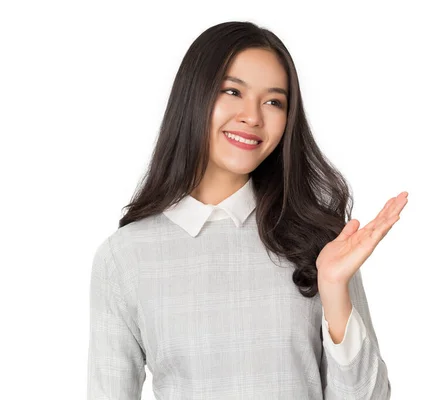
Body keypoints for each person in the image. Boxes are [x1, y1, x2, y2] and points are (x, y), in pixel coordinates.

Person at [87, 20, 408, 399]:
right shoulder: (124, 257)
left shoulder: (320, 241)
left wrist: (334, 288)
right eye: (232, 91)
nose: (253, 116)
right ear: (194, 97)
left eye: (274, 101)